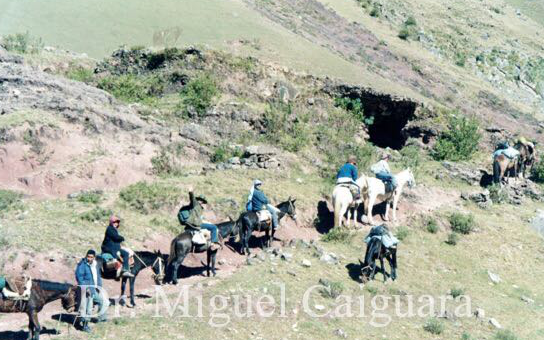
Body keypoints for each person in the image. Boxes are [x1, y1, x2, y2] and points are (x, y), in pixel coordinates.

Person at [75, 249, 109, 332]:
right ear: (86, 256)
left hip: (94, 289)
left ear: (94, 257)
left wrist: (99, 287)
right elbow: (79, 278)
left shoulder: (95, 265)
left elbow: (98, 277)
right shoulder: (82, 265)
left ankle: (102, 318)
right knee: (88, 309)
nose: (89, 258)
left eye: (91, 257)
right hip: (85, 290)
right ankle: (85, 326)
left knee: (104, 301)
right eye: (88, 256)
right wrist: (86, 288)